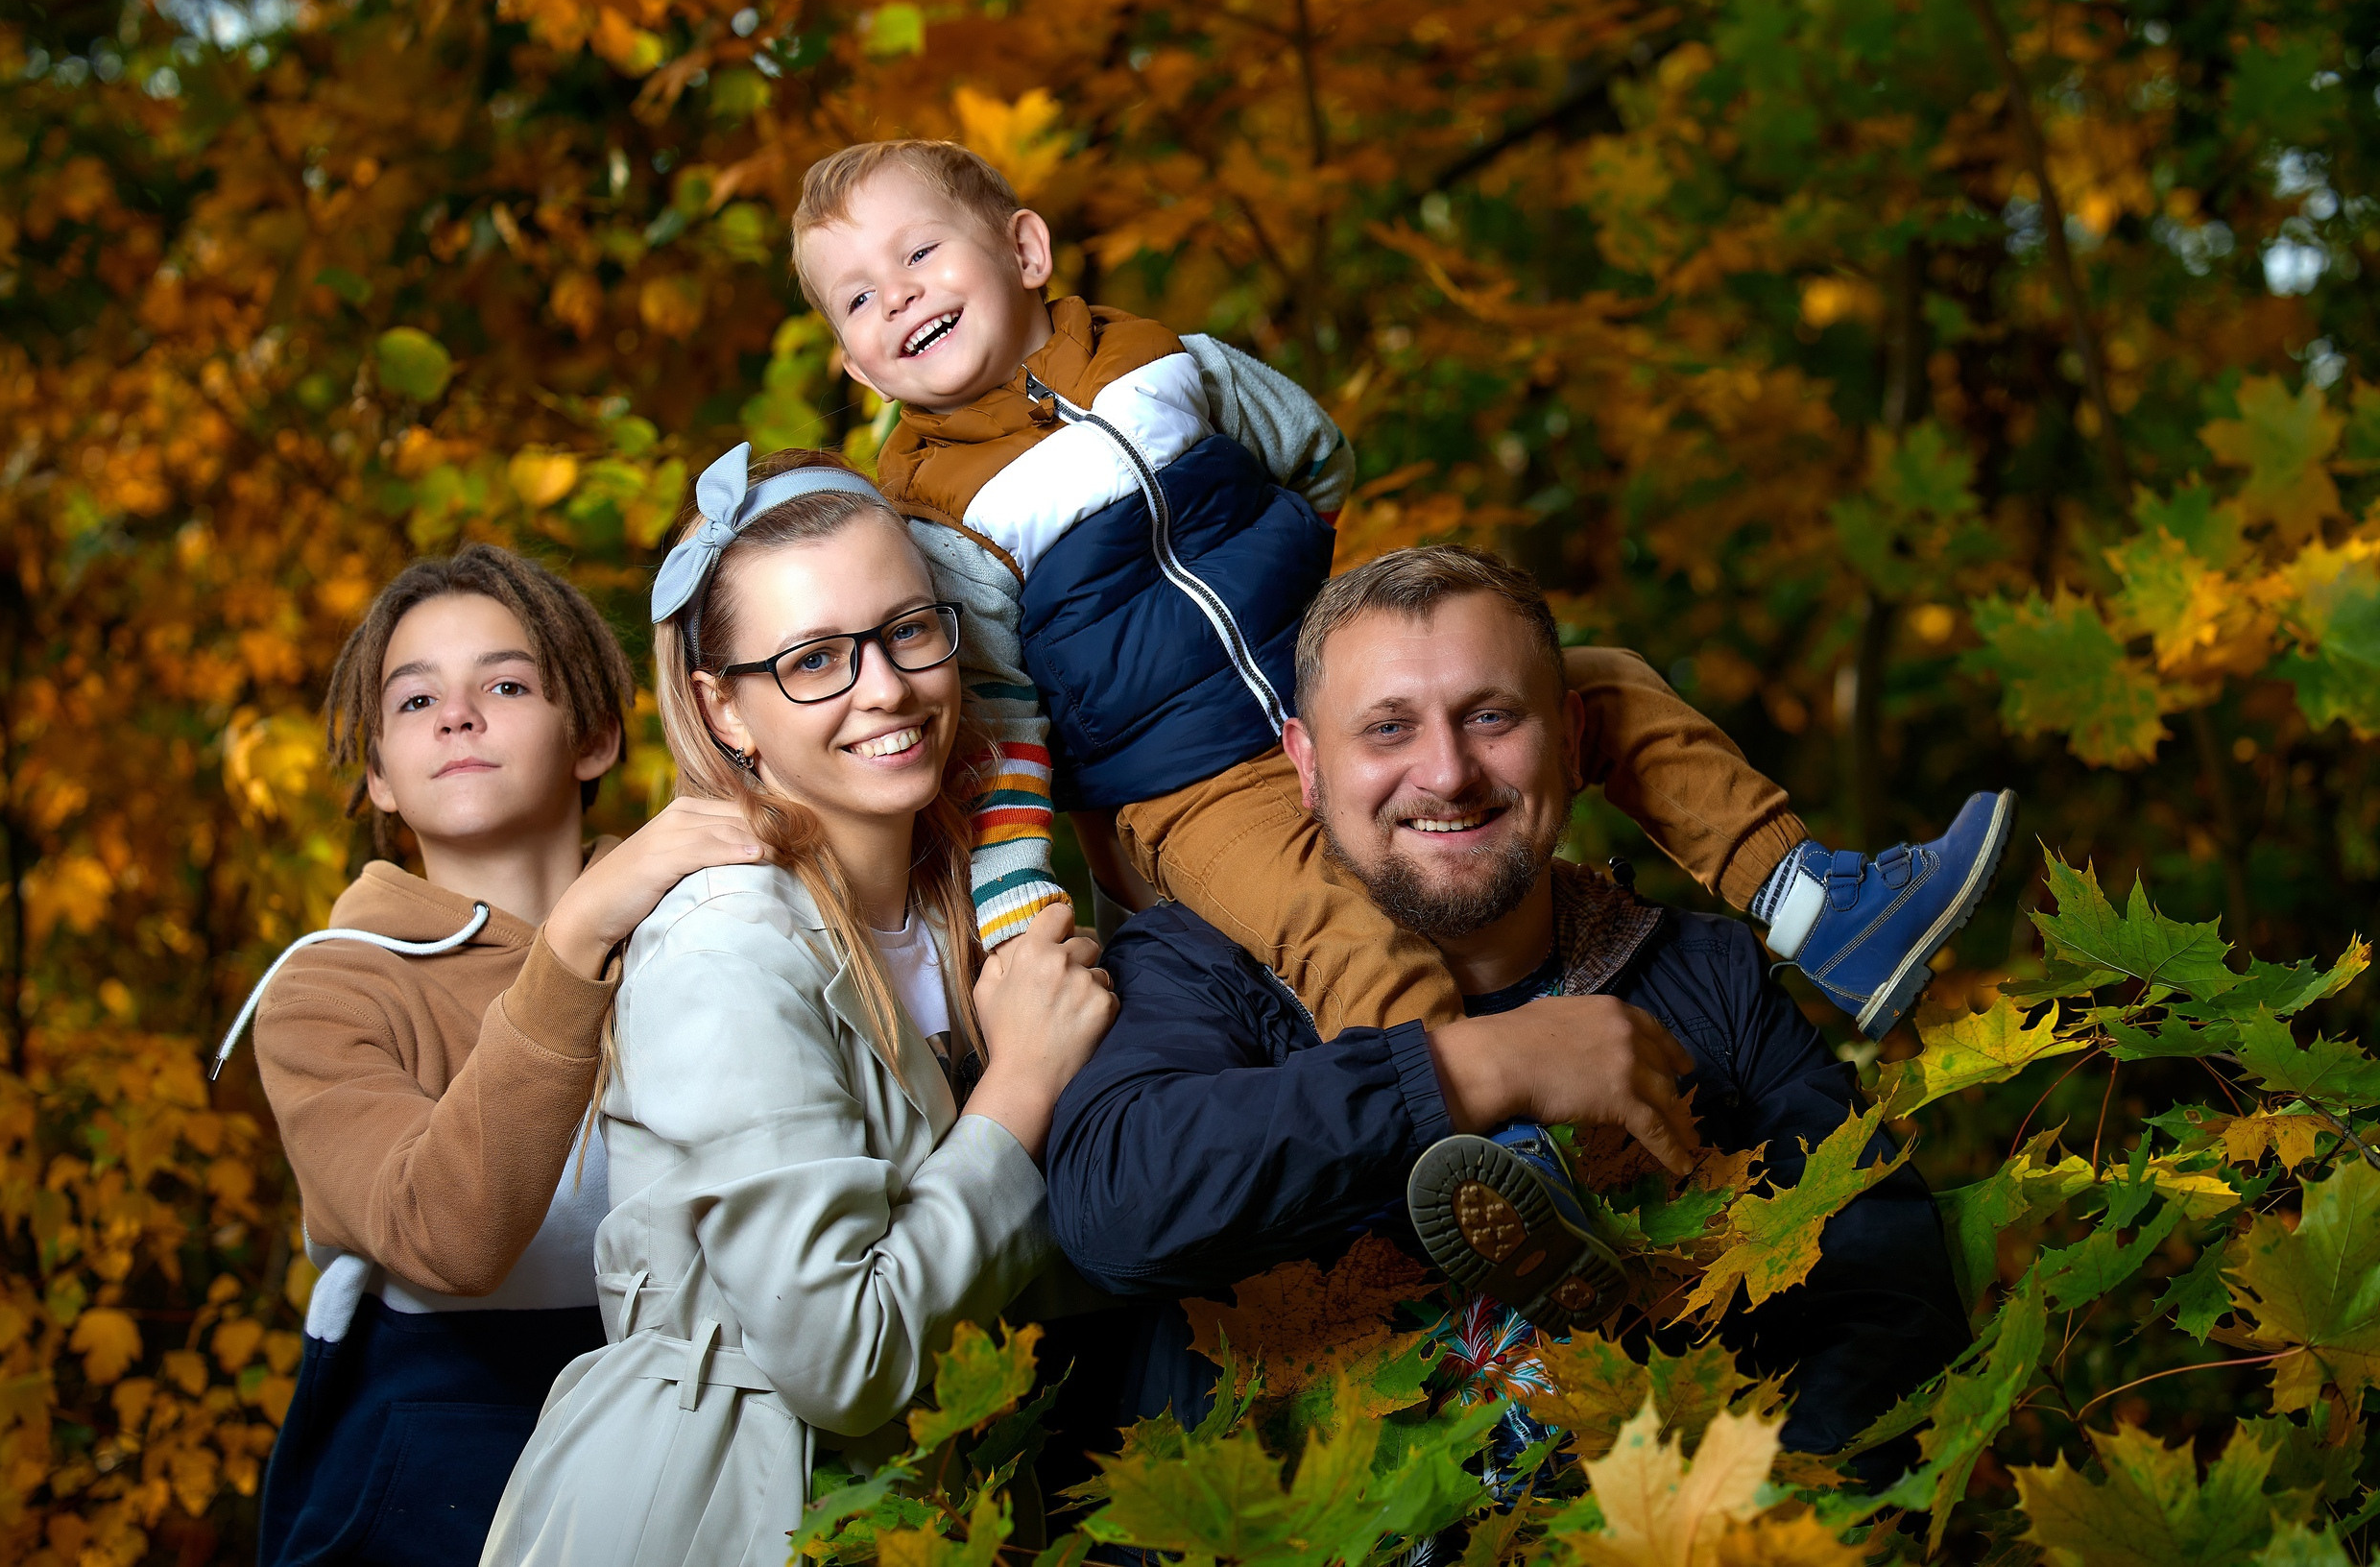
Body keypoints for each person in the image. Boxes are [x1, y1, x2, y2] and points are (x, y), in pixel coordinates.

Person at [792, 137, 2014, 1045]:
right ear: (857, 365)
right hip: (1186, 789)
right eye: (858, 296)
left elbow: (1313, 453)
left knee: (1594, 690)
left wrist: (1342, 626)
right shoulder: (934, 515)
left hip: (1331, 703)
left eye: (919, 251)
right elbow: (995, 723)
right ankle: (1482, 1156)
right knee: (1348, 933)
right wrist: (1021, 903)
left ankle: (1819, 907)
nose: (897, 293)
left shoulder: (1165, 364)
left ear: (1024, 249)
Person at [1045, 546, 1970, 1467]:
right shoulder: (1200, 967)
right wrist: (1470, 1070)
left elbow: (1884, 1296)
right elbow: (1112, 1210)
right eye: (1388, 729)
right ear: (1308, 767)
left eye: (1490, 717)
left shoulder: (1705, 976)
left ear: (1569, 735)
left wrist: (1744, 1515)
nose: (1448, 774)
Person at [480, 448, 1118, 1567]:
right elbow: (843, 1356)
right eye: (814, 658)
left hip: (942, 1507)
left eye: (907, 629)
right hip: (728, 1512)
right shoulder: (725, 945)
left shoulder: (976, 902)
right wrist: (1021, 1086)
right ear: (724, 706)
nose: (886, 689)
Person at [250, 544, 770, 1566]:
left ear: (595, 736)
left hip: (696, 1469)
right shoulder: (327, 987)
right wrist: (575, 942)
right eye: (414, 700)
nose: (457, 715)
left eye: (506, 685)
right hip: (428, 1502)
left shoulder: (709, 929)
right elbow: (445, 1236)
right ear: (378, 777)